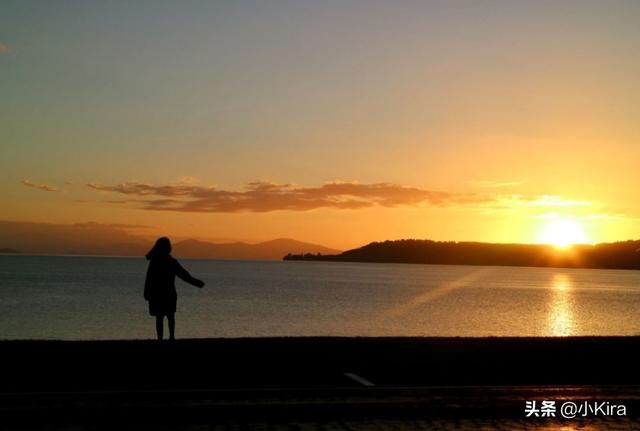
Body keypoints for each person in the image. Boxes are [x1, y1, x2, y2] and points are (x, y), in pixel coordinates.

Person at [144, 237, 205, 340]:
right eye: (169, 245)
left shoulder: (155, 261)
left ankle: (161, 338)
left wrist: (147, 292)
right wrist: (196, 283)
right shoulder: (170, 261)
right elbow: (184, 275)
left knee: (161, 317)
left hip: (159, 294)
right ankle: (171, 337)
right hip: (167, 294)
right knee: (169, 316)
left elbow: (149, 279)